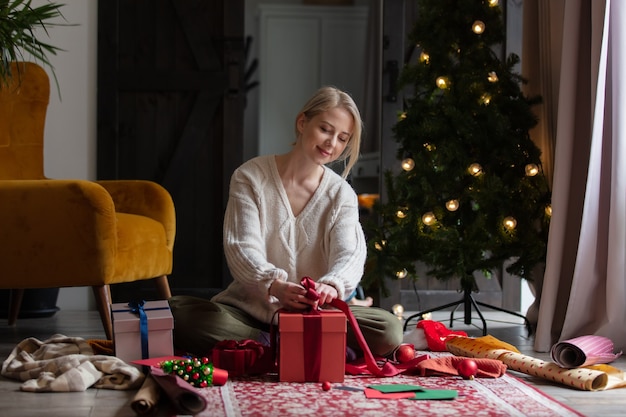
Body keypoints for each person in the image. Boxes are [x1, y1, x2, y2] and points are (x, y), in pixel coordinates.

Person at [168, 86, 403, 359]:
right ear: (303, 122)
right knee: (179, 314)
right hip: (252, 312)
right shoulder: (250, 177)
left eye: (342, 138)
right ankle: (296, 346)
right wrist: (274, 286)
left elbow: (349, 255)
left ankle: (267, 348)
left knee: (389, 330)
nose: (332, 143)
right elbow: (241, 246)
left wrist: (332, 284)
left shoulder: (342, 194)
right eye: (325, 129)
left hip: (317, 315)